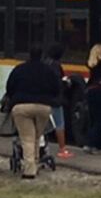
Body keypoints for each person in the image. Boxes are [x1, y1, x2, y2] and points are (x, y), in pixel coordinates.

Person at [6, 45, 61, 179]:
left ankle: (29, 170)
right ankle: (35, 162)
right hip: (43, 107)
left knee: (27, 138)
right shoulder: (48, 70)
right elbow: (56, 87)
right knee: (37, 136)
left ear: (28, 55)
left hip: (22, 106)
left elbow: (9, 88)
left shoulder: (19, 69)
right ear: (41, 55)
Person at [44, 44, 74, 159]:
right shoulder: (56, 66)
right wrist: (66, 83)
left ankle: (42, 147)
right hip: (55, 99)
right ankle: (62, 149)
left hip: (44, 98)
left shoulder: (45, 63)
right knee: (59, 124)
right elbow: (58, 81)